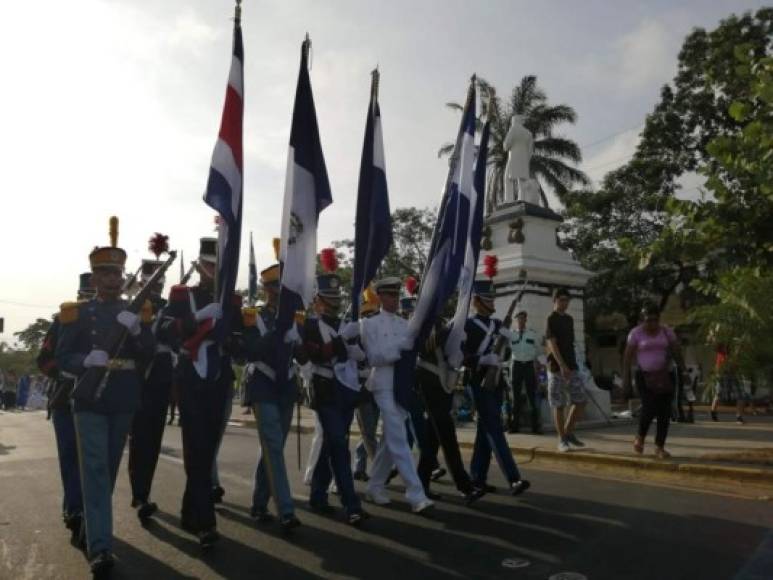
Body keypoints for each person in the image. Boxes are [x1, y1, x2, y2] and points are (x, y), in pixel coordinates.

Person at [56, 226, 156, 577]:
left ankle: (90, 524)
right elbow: (62, 356)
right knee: (95, 470)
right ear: (95, 277)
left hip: (123, 396)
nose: (112, 278)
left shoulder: (137, 312)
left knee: (109, 469)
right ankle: (101, 547)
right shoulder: (78, 313)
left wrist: (139, 331)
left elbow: (149, 354)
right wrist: (86, 360)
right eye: (105, 272)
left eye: (116, 272)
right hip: (89, 398)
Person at [165, 237, 243, 549]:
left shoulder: (232, 301)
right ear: (199, 264)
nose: (214, 271)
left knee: (206, 450)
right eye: (209, 265)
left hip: (220, 377)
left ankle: (188, 511)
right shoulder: (182, 295)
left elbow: (241, 345)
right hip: (191, 376)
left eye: (219, 266)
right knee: (196, 446)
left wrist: (232, 340)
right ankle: (205, 522)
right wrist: (195, 319)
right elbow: (166, 331)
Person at [355, 277, 433, 514]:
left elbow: (413, 356)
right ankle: (416, 494)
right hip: (381, 383)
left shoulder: (405, 324)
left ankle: (375, 486)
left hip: (401, 385)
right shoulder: (368, 324)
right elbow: (375, 357)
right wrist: (399, 349)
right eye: (389, 295)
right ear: (379, 297)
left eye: (396, 295)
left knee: (390, 440)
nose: (394, 300)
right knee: (399, 437)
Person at [301, 273, 368, 525]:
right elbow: (315, 354)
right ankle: (351, 504)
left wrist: (358, 354)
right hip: (325, 390)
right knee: (340, 446)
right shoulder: (310, 325)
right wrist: (341, 342)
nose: (332, 303)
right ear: (317, 300)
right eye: (327, 299)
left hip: (346, 390)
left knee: (331, 443)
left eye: (334, 299)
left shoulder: (344, 323)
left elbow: (359, 356)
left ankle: (317, 496)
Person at [241, 262, 302, 531]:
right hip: (263, 383)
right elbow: (250, 351)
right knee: (274, 445)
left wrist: (300, 339)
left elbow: (303, 356)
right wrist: (277, 333)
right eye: (275, 286)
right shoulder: (253, 315)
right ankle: (286, 509)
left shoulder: (295, 316)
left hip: (286, 385)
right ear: (266, 288)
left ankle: (258, 503)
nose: (279, 291)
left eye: (283, 286)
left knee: (272, 447)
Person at [36, 272, 93, 545]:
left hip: (98, 401)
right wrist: (66, 375)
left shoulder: (109, 320)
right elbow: (44, 359)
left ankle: (85, 512)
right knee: (70, 457)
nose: (89, 301)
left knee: (92, 462)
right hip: (66, 398)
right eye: (86, 296)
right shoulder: (63, 320)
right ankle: (75, 510)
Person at [464, 280, 530, 496]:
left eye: (492, 299)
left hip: (496, 381)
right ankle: (513, 478)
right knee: (494, 428)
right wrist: (482, 359)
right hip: (478, 381)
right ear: (476, 301)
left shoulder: (497, 324)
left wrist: (506, 348)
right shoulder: (468, 325)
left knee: (485, 431)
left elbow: (508, 353)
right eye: (487, 299)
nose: (491, 302)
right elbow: (458, 356)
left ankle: (477, 478)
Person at [127, 259, 177, 524]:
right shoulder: (129, 306)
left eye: (159, 282)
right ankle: (137, 493)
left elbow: (176, 339)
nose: (155, 286)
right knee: (135, 440)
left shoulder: (168, 309)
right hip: (131, 380)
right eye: (150, 281)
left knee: (150, 441)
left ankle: (142, 494)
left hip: (158, 381)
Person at [415, 318, 485, 504]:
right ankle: (465, 486)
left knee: (433, 437)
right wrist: (449, 332)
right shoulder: (420, 320)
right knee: (446, 434)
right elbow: (422, 346)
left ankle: (421, 484)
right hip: (428, 381)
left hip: (443, 382)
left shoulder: (441, 322)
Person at [622, 304, 686, 458]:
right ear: (642, 320)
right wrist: (626, 380)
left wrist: (683, 370)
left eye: (655, 320)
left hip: (665, 376)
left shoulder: (666, 332)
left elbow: (676, 350)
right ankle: (640, 437)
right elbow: (627, 358)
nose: (651, 324)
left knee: (664, 412)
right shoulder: (635, 334)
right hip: (644, 376)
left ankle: (659, 446)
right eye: (648, 320)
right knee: (649, 408)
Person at [545, 287, 587, 453]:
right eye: (561, 300)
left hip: (572, 365)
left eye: (567, 300)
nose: (565, 303)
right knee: (559, 404)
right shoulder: (551, 319)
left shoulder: (569, 319)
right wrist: (562, 365)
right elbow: (552, 344)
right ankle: (561, 439)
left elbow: (571, 344)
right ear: (555, 300)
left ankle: (569, 432)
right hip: (556, 367)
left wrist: (576, 364)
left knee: (581, 400)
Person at [507, 310, 542, 434]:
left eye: (523, 319)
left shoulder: (532, 334)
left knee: (531, 396)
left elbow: (538, 350)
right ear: (516, 321)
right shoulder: (511, 334)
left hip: (528, 365)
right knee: (515, 397)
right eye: (518, 319)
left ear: (526, 320)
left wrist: (537, 363)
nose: (521, 321)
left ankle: (535, 427)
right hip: (516, 366)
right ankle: (514, 426)